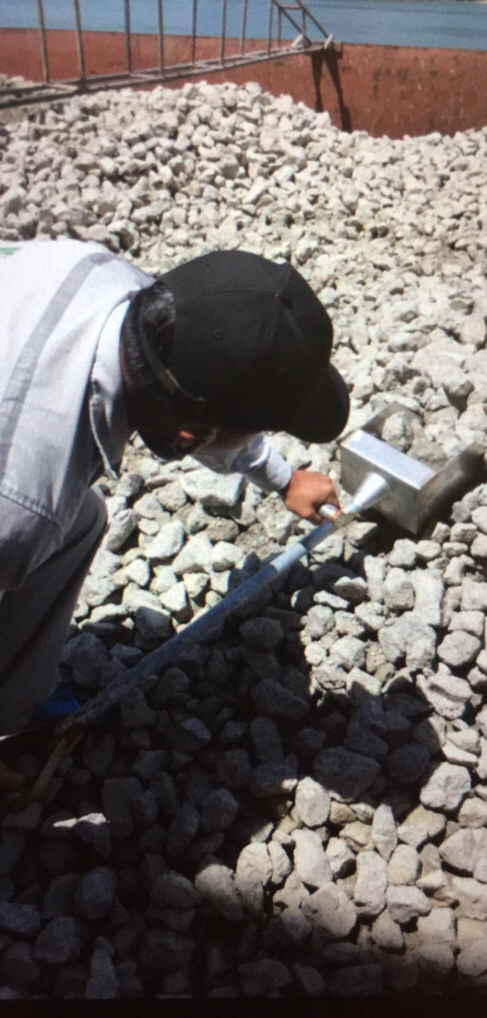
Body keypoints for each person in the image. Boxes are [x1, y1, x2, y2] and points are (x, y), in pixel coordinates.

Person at [0, 240, 350, 790]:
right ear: (188, 439)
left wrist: (283, 477)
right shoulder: (23, 503)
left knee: (83, 519)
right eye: (257, 430)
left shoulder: (112, 280)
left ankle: (10, 702)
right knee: (60, 523)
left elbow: (189, 401)